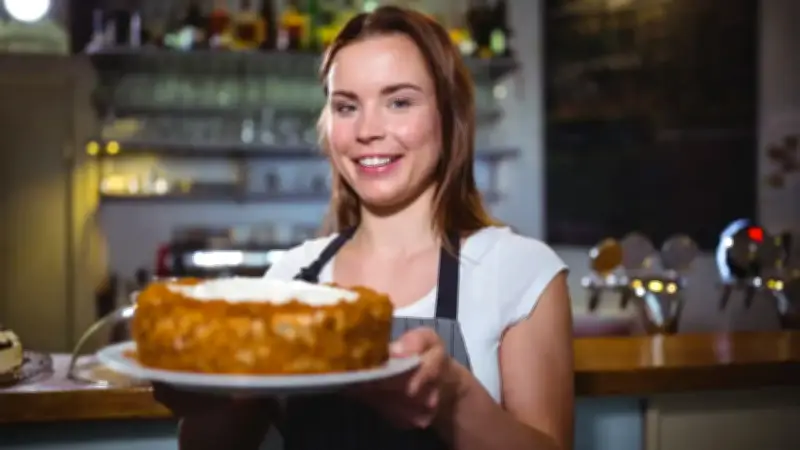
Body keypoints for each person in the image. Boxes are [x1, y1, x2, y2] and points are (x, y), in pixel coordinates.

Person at [154, 6, 574, 450]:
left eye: (399, 102)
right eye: (346, 106)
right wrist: (210, 402)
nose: (367, 130)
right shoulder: (289, 280)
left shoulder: (518, 271)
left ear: (449, 115)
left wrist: (453, 400)